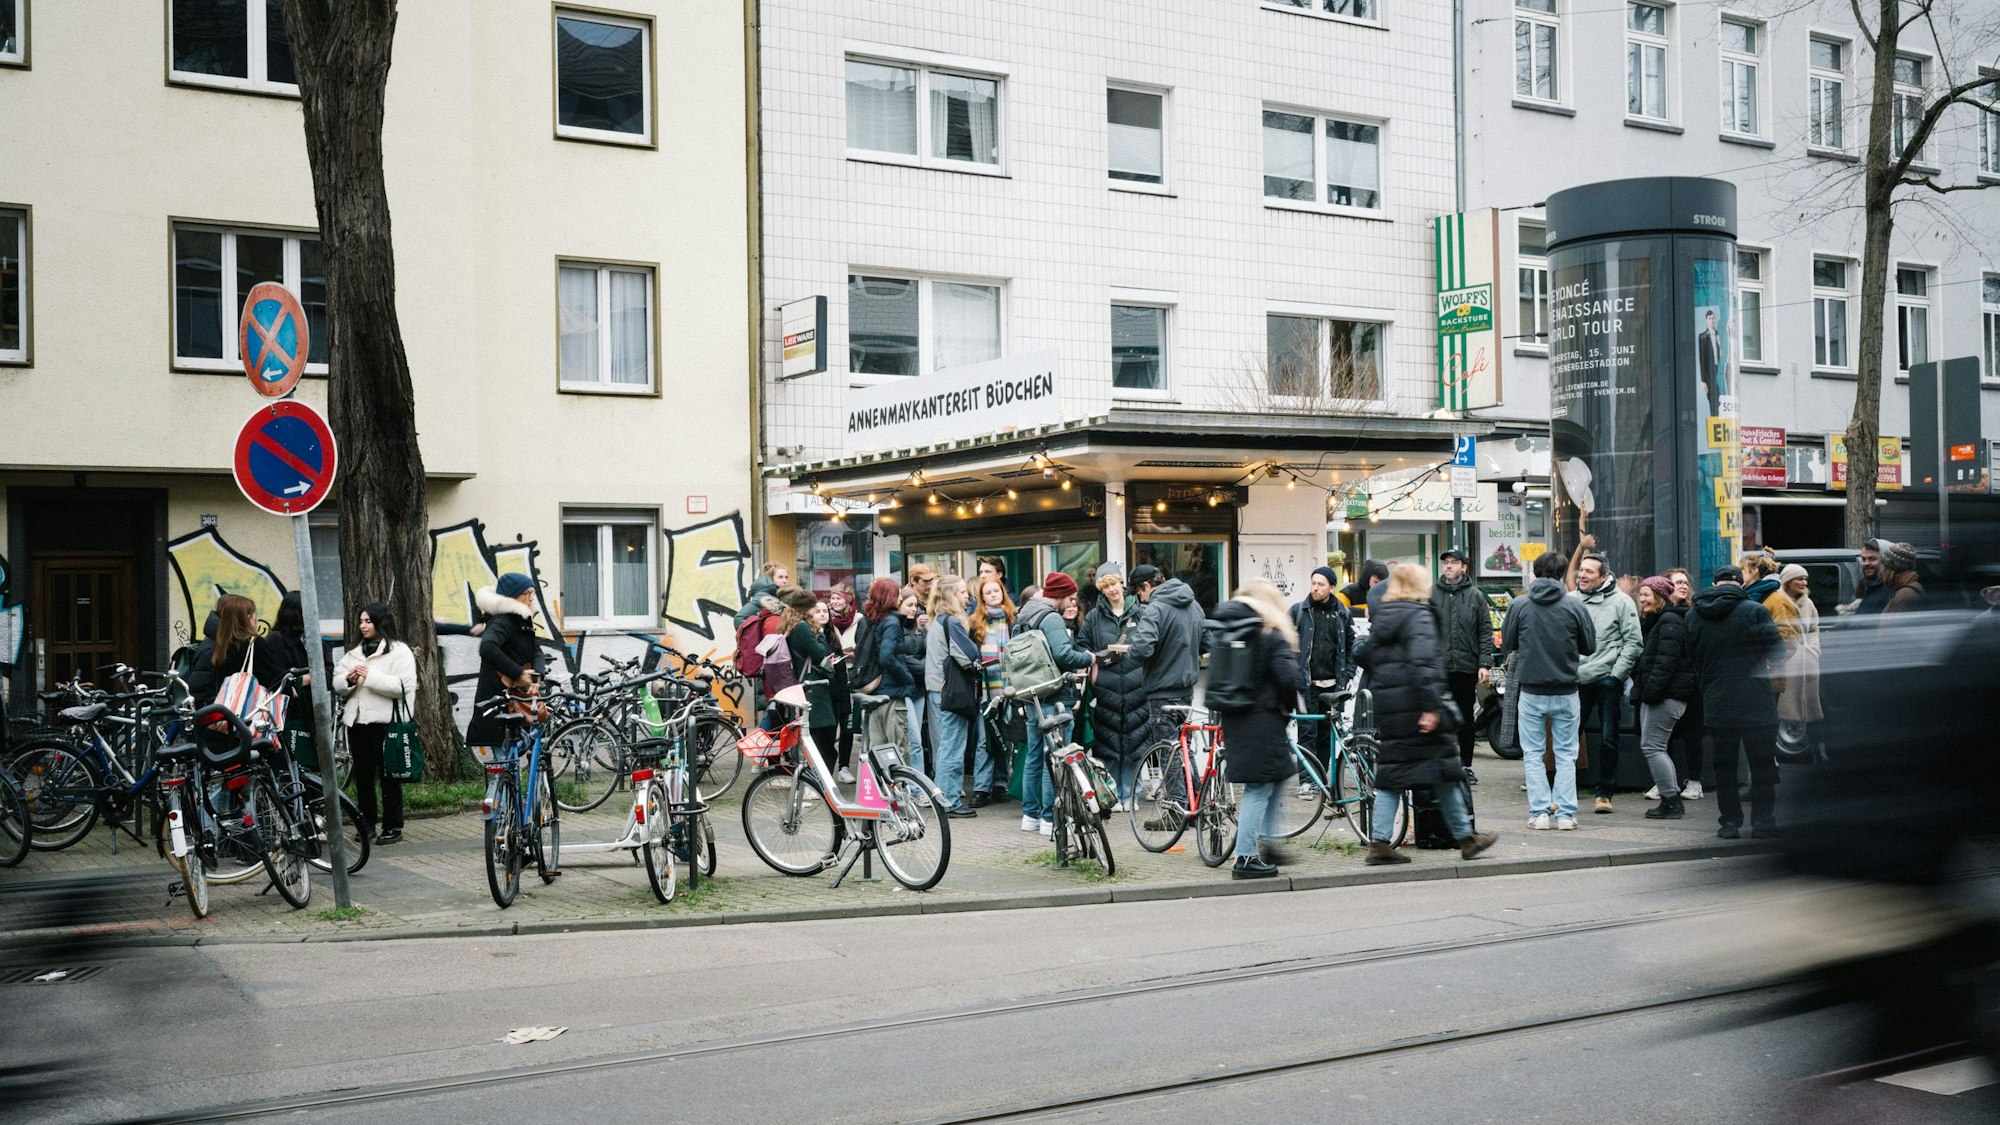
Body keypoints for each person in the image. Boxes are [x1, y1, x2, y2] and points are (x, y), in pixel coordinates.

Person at [1358, 564, 1499, 866]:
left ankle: (1380, 843)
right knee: (1446, 773)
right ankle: (1465, 837)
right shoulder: (1418, 615)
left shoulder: (1384, 618)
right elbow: (1424, 665)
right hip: (1419, 710)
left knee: (1393, 776)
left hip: (1393, 710)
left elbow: (1373, 660)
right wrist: (1432, 707)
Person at [1210, 579, 1313, 879]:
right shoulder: (1269, 632)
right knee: (1259, 788)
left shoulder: (1230, 629)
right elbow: (1286, 677)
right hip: (1264, 718)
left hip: (1237, 715)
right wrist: (1291, 701)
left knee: (1276, 778)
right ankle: (1245, 857)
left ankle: (1266, 843)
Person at [1501, 551, 1597, 831]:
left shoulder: (1520, 605)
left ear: (1537, 572)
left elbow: (1508, 644)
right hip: (1566, 689)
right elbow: (1589, 646)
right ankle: (1566, 814)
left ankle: (1540, 812)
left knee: (1533, 754)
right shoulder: (1575, 606)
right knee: (1567, 754)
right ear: (1562, 573)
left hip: (1531, 690)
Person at [1685, 565, 1783, 839]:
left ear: (1714, 585)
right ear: (1741, 584)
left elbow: (1692, 656)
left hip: (1717, 701)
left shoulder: (1694, 615)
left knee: (1724, 767)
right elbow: (1778, 652)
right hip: (1757, 702)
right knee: (1762, 766)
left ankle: (1729, 823)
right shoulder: (1755, 611)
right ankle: (1763, 822)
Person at [1011, 573, 1096, 836]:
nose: (1071, 602)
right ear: (1059, 594)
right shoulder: (1051, 617)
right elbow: (1063, 654)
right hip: (1055, 693)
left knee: (1034, 756)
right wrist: (1089, 657)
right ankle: (1052, 819)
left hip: (1030, 693)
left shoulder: (1024, 615)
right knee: (1057, 758)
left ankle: (1031, 816)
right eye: (1070, 597)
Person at [331, 602, 417, 844]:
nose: (363, 626)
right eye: (361, 621)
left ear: (381, 622)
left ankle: (393, 826)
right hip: (358, 723)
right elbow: (337, 683)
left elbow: (403, 687)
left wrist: (369, 676)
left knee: (389, 775)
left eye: (368, 621)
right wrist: (348, 679)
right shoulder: (355, 653)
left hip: (386, 723)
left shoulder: (400, 652)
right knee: (364, 777)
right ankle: (366, 824)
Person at [1568, 540, 1641, 814]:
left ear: (1603, 576)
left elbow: (1634, 642)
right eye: (1581, 570)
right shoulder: (1571, 601)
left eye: (1588, 571)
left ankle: (1604, 793)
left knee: (1610, 738)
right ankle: (1564, 793)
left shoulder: (1621, 602)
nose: (1582, 575)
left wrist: (1616, 675)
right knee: (1568, 737)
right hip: (1575, 680)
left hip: (1607, 680)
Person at [1078, 565, 1147, 808]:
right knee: (1107, 745)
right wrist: (1093, 667)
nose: (1111, 589)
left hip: (1137, 686)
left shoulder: (1141, 613)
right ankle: (1112, 794)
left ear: (1122, 584)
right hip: (1105, 688)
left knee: (1136, 743)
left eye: (1113, 584)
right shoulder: (1093, 617)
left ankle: (1132, 794)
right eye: (1105, 586)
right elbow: (1082, 646)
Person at [1125, 562, 1206, 769]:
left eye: (1138, 593)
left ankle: (1177, 800)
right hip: (1186, 690)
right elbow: (1206, 642)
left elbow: (1142, 649)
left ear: (1146, 586)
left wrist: (1130, 649)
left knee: (1168, 752)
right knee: (1184, 749)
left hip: (1161, 691)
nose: (1140, 599)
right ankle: (1195, 799)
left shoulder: (1155, 608)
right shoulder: (1193, 604)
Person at [1631, 577, 1695, 820]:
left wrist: (1650, 691)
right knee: (1653, 746)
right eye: (1641, 595)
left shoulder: (1669, 620)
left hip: (1665, 696)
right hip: (1660, 694)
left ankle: (1671, 800)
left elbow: (1666, 662)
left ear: (1659, 596)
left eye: (1647, 594)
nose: (1642, 599)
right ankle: (1670, 799)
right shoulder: (1661, 620)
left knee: (1654, 746)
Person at [1431, 547, 1496, 784]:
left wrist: (1484, 663)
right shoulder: (1432, 594)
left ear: (1463, 567)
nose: (1448, 566)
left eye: (1453, 562)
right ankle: (1440, 764)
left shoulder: (1475, 596)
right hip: (1438, 667)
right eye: (1446, 562)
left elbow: (1485, 631)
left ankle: (1465, 765)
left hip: (1466, 666)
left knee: (1465, 717)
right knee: (1436, 717)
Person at [466, 573, 543, 761]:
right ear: (512, 595)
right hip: (500, 702)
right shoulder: (502, 621)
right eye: (527, 593)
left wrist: (537, 676)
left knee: (511, 759)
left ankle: (507, 788)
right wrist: (518, 674)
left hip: (517, 700)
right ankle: (502, 789)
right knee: (504, 763)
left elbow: (537, 651)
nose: (531, 598)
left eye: (532, 593)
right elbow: (487, 647)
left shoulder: (521, 621)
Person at [923, 576, 979, 818]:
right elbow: (967, 656)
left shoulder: (936, 621)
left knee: (945, 746)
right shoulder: (952, 623)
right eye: (963, 592)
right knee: (953, 748)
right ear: (952, 596)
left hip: (938, 690)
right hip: (951, 693)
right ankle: (949, 801)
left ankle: (944, 798)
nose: (967, 597)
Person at [190, 592, 289, 708]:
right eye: (254, 615)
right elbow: (277, 680)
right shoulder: (253, 645)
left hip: (216, 714)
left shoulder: (216, 644)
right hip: (245, 716)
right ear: (247, 618)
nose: (256, 620)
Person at [968, 576, 1017, 806]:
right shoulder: (976, 621)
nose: (993, 595)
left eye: (996, 591)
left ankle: (1000, 784)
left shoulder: (1012, 619)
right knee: (984, 740)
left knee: (1005, 739)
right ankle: (981, 787)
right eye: (988, 593)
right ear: (982, 597)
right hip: (987, 690)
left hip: (1009, 688)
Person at [1661, 565, 1705, 800]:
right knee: (1663, 736)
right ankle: (1665, 783)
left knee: (1692, 735)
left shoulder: (1696, 613)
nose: (1684, 586)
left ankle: (1695, 782)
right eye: (1678, 582)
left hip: (1692, 683)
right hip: (1667, 683)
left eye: (1685, 582)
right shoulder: (1659, 615)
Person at [877, 586, 929, 773]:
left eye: (915, 605)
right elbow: (895, 658)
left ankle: (917, 783)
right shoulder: (894, 625)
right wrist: (915, 672)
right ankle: (914, 787)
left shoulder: (920, 629)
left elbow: (926, 653)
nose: (913, 609)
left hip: (919, 688)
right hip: (904, 687)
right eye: (908, 605)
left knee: (917, 741)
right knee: (911, 739)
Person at [1775, 563, 1823, 732]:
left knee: (1809, 710)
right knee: (1785, 710)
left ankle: (1814, 750)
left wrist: (1813, 649)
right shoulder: (1777, 602)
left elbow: (1814, 629)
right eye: (1800, 579)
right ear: (1788, 581)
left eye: (1806, 579)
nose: (1804, 583)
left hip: (1807, 663)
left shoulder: (1808, 603)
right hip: (1786, 663)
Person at [734, 561, 788, 628]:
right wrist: (757, 634)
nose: (785, 581)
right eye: (780, 577)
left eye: (786, 577)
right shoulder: (763, 597)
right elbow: (739, 618)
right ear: (771, 579)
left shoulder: (778, 596)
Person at [1876, 539, 1924, 613]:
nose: (1881, 572)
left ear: (1894, 569)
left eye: (1884, 567)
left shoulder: (1905, 595)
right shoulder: (1901, 590)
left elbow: (1893, 624)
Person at [1842, 541, 1889, 615]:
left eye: (1872, 559)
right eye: (1863, 559)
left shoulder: (1889, 590)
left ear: (1885, 561)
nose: (1866, 563)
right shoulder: (1865, 587)